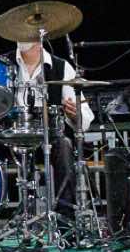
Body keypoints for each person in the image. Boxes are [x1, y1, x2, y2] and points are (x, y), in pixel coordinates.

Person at [8, 37, 89, 214]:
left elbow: (85, 116)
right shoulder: (4, 64)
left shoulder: (61, 66)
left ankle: (65, 216)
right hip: (10, 137)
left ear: (40, 35)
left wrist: (75, 114)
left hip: (49, 136)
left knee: (64, 145)